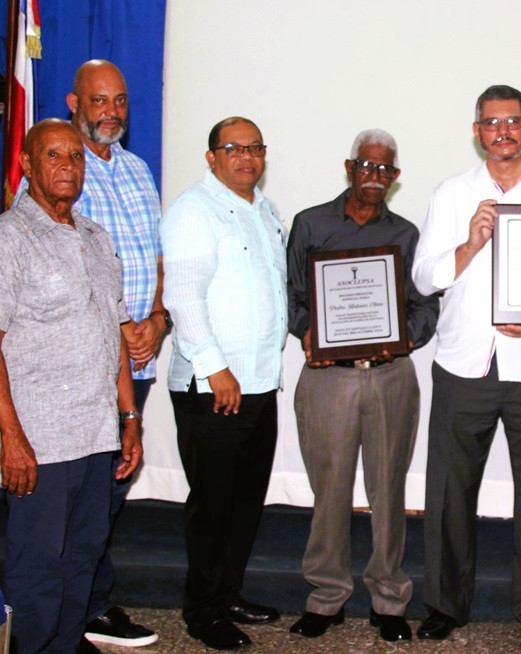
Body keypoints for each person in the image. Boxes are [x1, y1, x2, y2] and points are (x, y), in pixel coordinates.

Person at [411, 84, 521, 647]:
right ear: (477, 132)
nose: (503, 132)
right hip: (463, 363)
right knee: (448, 492)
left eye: (513, 121)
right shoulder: (450, 194)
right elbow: (422, 279)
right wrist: (469, 244)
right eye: (492, 123)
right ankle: (445, 604)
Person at [285, 129, 439, 641]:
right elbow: (293, 296)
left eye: (385, 169)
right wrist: (309, 331)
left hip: (389, 378)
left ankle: (388, 600)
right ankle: (326, 596)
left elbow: (424, 307)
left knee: (387, 490)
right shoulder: (310, 224)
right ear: (349, 168)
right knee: (329, 491)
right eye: (366, 166)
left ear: (394, 178)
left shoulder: (408, 235)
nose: (375, 176)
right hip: (328, 379)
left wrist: (398, 343)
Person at [0, 119, 143, 654]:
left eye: (76, 157)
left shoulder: (95, 237)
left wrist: (129, 418)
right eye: (54, 156)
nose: (68, 166)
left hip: (97, 433)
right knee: (37, 569)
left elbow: (115, 334)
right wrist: (11, 438)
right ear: (27, 166)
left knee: (82, 558)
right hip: (39, 441)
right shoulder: (10, 238)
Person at [161, 116, 287, 650]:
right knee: (213, 506)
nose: (246, 157)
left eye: (255, 147)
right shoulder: (194, 210)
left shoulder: (265, 209)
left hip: (259, 382)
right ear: (211, 156)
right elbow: (183, 298)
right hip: (213, 387)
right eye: (233, 148)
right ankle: (203, 611)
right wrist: (215, 368)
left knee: (244, 502)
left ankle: (228, 593)